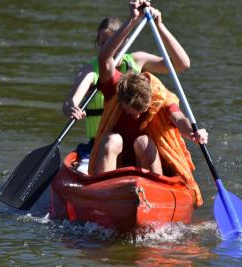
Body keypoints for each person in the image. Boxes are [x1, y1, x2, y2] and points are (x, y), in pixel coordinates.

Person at [88, 0, 207, 207]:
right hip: (116, 163)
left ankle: (156, 199)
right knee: (111, 139)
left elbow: (179, 119)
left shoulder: (159, 96)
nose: (134, 116)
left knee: (143, 142)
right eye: (128, 110)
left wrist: (195, 134)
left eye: (139, 112)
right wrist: (132, 19)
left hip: (147, 161)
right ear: (121, 100)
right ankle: (102, 199)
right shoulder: (114, 88)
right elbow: (104, 58)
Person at [62, 5, 191, 165]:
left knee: (146, 146)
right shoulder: (92, 70)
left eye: (113, 43)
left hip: (137, 142)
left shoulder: (138, 60)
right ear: (98, 43)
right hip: (100, 145)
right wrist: (71, 107)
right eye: (103, 43)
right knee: (108, 145)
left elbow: (181, 64)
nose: (110, 48)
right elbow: (72, 100)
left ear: (126, 42)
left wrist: (160, 26)